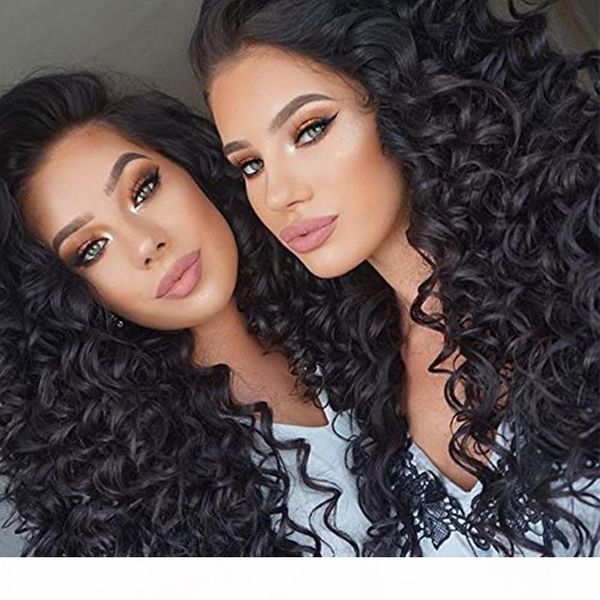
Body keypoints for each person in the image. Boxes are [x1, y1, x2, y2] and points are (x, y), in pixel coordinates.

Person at [190, 0, 600, 555]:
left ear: (402, 94)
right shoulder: (355, 380)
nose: (277, 194)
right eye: (251, 165)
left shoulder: (577, 259)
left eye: (310, 130)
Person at [0, 71, 374, 556]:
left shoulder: (367, 310)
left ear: (192, 167)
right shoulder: (142, 500)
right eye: (92, 249)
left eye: (142, 189)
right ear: (67, 298)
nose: (146, 243)